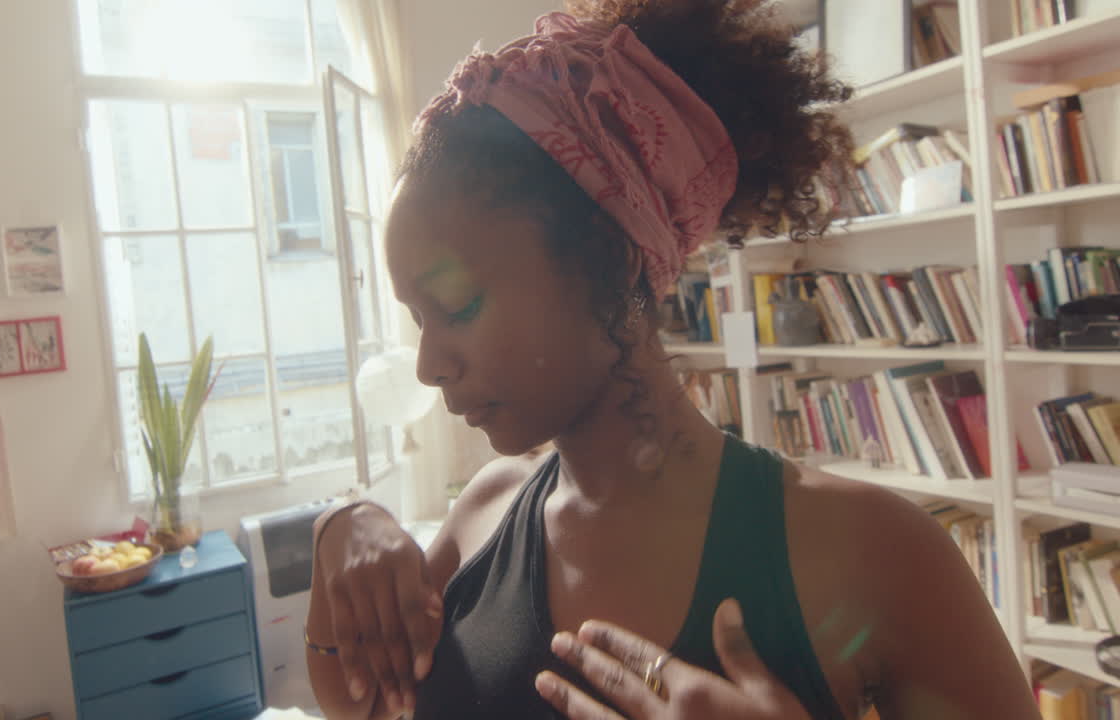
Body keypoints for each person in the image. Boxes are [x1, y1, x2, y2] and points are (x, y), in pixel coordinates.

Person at [306, 1, 1040, 718]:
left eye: (458, 304)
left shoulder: (874, 553)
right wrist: (340, 526)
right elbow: (361, 700)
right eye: (418, 320)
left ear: (613, 262)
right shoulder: (483, 515)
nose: (430, 364)